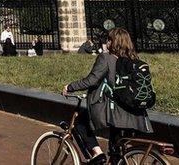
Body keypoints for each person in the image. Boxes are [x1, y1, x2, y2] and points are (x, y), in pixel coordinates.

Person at [63, 28, 152, 164]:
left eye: (108, 39)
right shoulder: (134, 59)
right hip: (136, 112)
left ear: (112, 42)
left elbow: (92, 80)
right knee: (116, 151)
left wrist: (70, 87)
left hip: (115, 113)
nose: (106, 42)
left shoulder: (106, 57)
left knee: (80, 121)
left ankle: (97, 153)